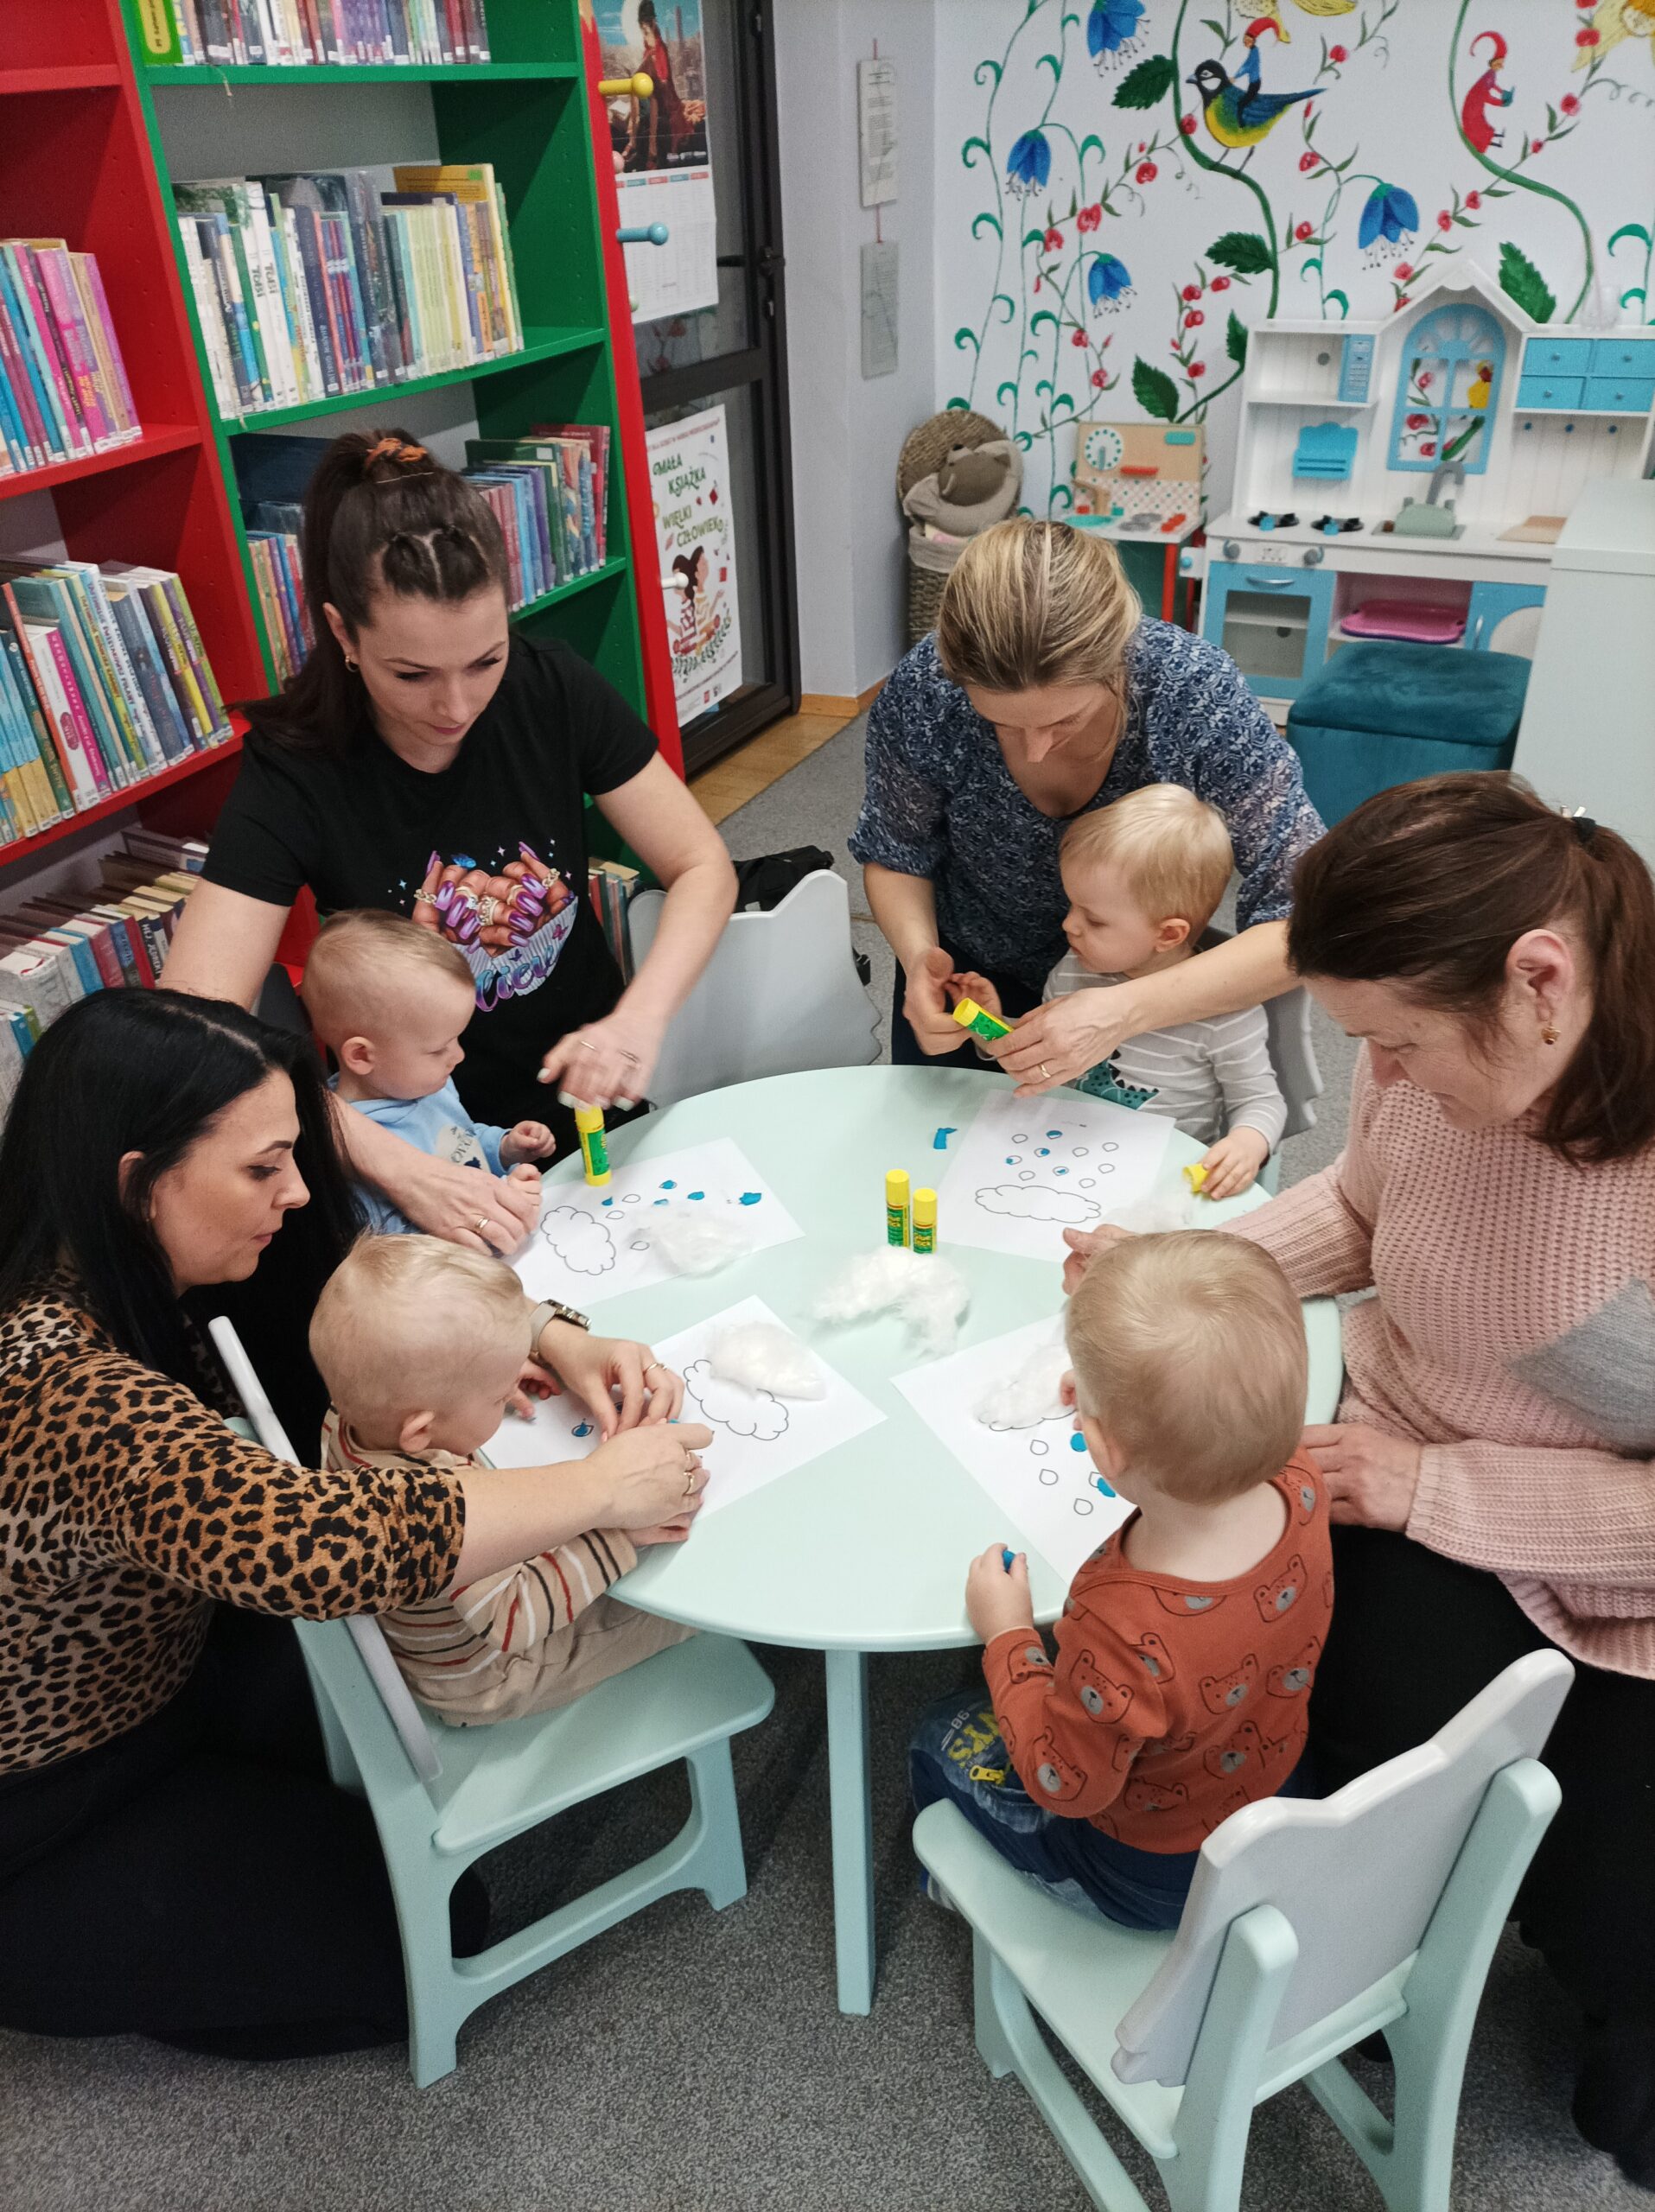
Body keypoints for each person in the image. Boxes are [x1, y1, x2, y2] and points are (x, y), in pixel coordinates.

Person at [1063, 773, 1655, 2183]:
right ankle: (1358, 1972)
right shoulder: (1442, 1083)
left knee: (1617, 1944)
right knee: (1320, 1726)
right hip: (1398, 1457)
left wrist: (1429, 1490)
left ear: (1540, 985)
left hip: (1589, 1541)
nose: (1373, 1086)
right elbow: (1360, 1207)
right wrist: (1193, 1272)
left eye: (1394, 1043)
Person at [0, 988, 711, 2059]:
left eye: (292, 1154)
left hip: (182, 1664)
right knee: (417, 1941)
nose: (294, 1190)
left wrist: (548, 1334)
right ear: (140, 1182)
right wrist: (607, 1490)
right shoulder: (63, 1386)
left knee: (372, 1758)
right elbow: (323, 1546)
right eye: (261, 1169)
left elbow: (374, 1309)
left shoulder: (155, 1257)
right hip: (50, 1804)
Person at [161, 428, 735, 1259]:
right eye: (412, 675)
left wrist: (637, 1020)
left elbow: (700, 865)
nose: (457, 707)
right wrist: (396, 1163)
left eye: (485, 661)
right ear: (344, 635)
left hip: (578, 1116)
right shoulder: (296, 769)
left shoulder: (551, 687)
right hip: (412, 1149)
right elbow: (195, 1025)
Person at [911, 1232, 1327, 1930]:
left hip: (1147, 1877)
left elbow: (1064, 1784)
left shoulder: (1122, 1629)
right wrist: (1116, 1369)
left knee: (933, 1734)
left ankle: (956, 1886)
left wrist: (1008, 1635)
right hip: (1274, 1797)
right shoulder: (1300, 1478)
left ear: (1099, 1444)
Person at [850, 517, 1322, 1085]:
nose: (1036, 749)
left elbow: (1309, 917)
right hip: (973, 981)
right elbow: (896, 851)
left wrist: (1126, 1009)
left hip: (1150, 994)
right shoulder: (925, 690)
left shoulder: (1193, 694)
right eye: (1000, 722)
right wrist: (919, 958)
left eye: (1065, 720)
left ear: (1119, 660)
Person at [312, 1236, 697, 1726]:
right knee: (680, 1606)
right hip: (496, 1675)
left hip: (448, 1629)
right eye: (498, 1396)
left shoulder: (350, 1416)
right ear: (420, 1432)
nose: (510, 1390)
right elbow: (513, 1617)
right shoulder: (438, 1511)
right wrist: (618, 1536)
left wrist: (480, 1383)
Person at [952, 785, 1287, 1199]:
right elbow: (1040, 1058)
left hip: (1161, 1184)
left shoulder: (1226, 1013)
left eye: (1094, 920)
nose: (1069, 925)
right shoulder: (1073, 970)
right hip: (1061, 1157)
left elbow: (1262, 1102)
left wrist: (1248, 1144)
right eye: (1071, 906)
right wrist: (987, 1024)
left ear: (1168, 934)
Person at [301, 908, 553, 1235]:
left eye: (457, 1040)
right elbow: (398, 1248)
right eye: (438, 1049)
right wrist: (505, 1197)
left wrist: (504, 1148)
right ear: (361, 1055)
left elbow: (461, 1142)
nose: (458, 1056)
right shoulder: (351, 1155)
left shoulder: (427, 1085)